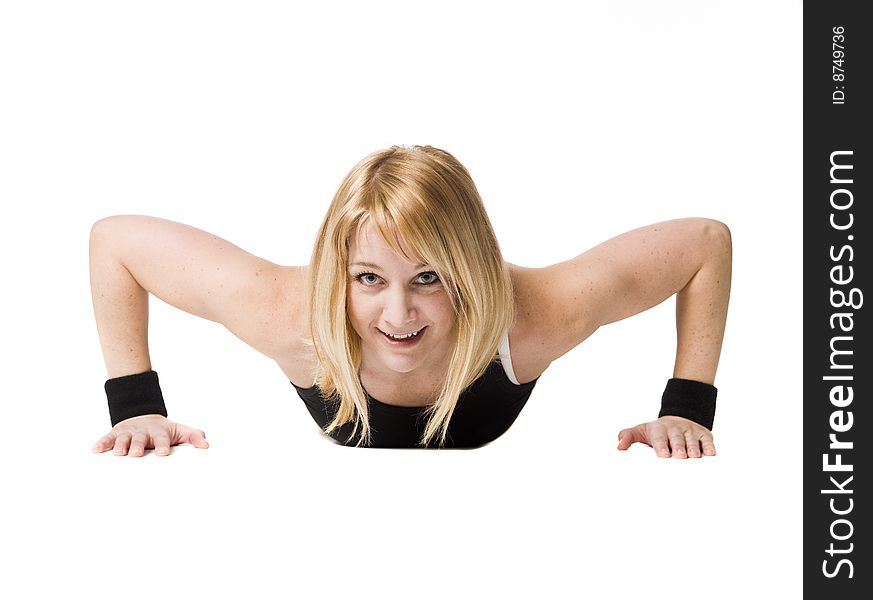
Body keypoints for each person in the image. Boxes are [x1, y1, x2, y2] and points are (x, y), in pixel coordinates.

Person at [90, 145, 732, 457]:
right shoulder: (288, 314)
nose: (398, 316)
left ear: (472, 274)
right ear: (337, 274)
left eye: (429, 278)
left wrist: (688, 408)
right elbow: (116, 242)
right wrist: (136, 407)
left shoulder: (534, 318)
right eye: (369, 278)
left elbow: (704, 244)